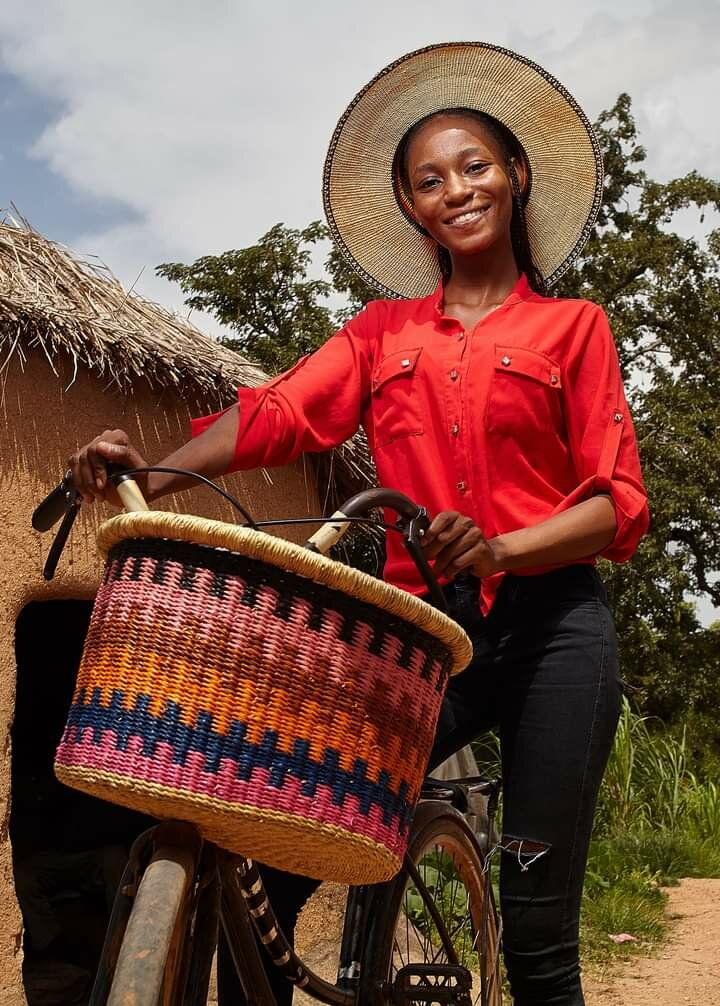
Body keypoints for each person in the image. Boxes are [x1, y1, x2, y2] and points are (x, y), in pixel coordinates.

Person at [68, 42, 649, 1006]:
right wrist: (155, 475)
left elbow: (613, 505)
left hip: (557, 633)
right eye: (430, 180)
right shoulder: (382, 333)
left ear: (516, 175)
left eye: (474, 166)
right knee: (282, 837)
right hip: (422, 638)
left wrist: (500, 546)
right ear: (413, 209)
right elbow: (275, 414)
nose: (457, 189)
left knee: (539, 928)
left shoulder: (574, 326)